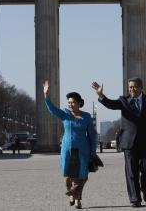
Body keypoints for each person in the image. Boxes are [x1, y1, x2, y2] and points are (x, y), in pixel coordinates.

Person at [92, 77, 146, 208]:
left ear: (141, 87)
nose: (132, 89)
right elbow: (110, 104)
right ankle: (135, 199)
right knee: (131, 171)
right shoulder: (123, 100)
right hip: (129, 142)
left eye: (134, 87)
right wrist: (101, 95)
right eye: (130, 87)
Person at [44, 80, 96, 209]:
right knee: (68, 176)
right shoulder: (65, 114)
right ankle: (71, 194)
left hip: (82, 150)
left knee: (81, 176)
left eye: (73, 102)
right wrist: (46, 95)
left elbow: (92, 135)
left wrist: (93, 150)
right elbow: (52, 109)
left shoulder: (86, 117)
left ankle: (78, 199)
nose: (70, 104)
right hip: (67, 149)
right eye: (69, 102)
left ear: (79, 103)